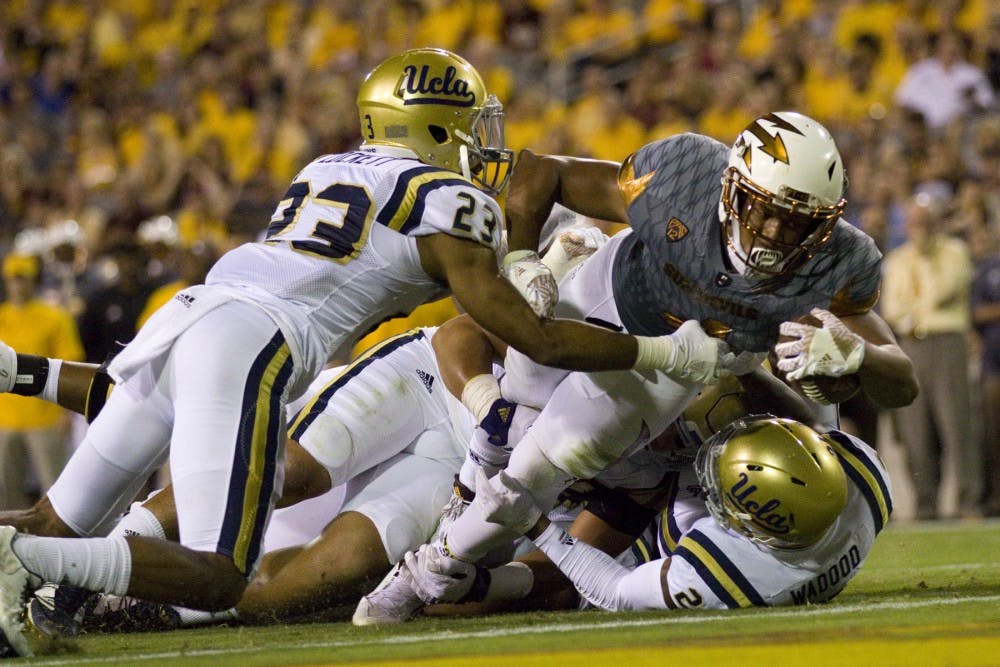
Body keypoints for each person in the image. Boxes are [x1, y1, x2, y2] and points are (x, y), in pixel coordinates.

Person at [0, 49, 730, 658]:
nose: (481, 140)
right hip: (255, 339)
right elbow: (532, 337)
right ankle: (34, 568)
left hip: (192, 310)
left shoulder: (324, 169)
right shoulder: (449, 199)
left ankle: (35, 556)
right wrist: (659, 350)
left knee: (51, 519)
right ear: (436, 126)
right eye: (469, 125)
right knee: (220, 573)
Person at [351, 110, 918, 625]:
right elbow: (542, 171)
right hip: (606, 294)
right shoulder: (683, 175)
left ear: (824, 224)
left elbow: (903, 381)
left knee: (543, 459)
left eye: (795, 223)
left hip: (681, 363)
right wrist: (523, 258)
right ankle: (471, 490)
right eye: (763, 211)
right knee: (514, 411)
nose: (773, 234)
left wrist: (861, 354)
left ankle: (425, 570)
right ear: (730, 189)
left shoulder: (841, 263)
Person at [475, 414, 892, 611]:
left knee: (530, 591)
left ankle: (467, 587)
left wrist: (536, 525)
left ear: (746, 529)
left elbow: (614, 590)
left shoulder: (732, 578)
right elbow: (808, 428)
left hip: (635, 548)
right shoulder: (862, 474)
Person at [881, 192, 979, 520]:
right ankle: (926, 504)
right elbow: (893, 310)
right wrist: (917, 311)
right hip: (912, 346)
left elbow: (944, 289)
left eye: (923, 222)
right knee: (915, 429)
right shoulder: (896, 260)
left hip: (946, 342)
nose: (917, 228)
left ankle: (969, 502)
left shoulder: (954, 252)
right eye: (913, 222)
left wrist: (917, 306)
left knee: (956, 425)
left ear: (935, 223)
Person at [0, 253, 84, 509]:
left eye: (23, 279)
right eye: (14, 279)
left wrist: (65, 413)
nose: (18, 285)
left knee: (55, 490)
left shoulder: (53, 316)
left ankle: (58, 544)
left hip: (45, 416)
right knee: (7, 493)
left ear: (33, 281)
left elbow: (71, 362)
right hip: (6, 417)